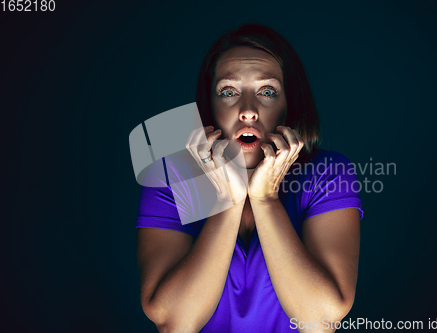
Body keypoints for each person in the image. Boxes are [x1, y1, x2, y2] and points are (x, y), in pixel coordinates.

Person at [135, 23, 364, 332]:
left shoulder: (327, 173)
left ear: (288, 106)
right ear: (210, 109)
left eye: (267, 92)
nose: (248, 111)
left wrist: (265, 200)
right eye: (228, 92)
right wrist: (229, 201)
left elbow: (320, 320)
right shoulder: (168, 177)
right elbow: (176, 322)